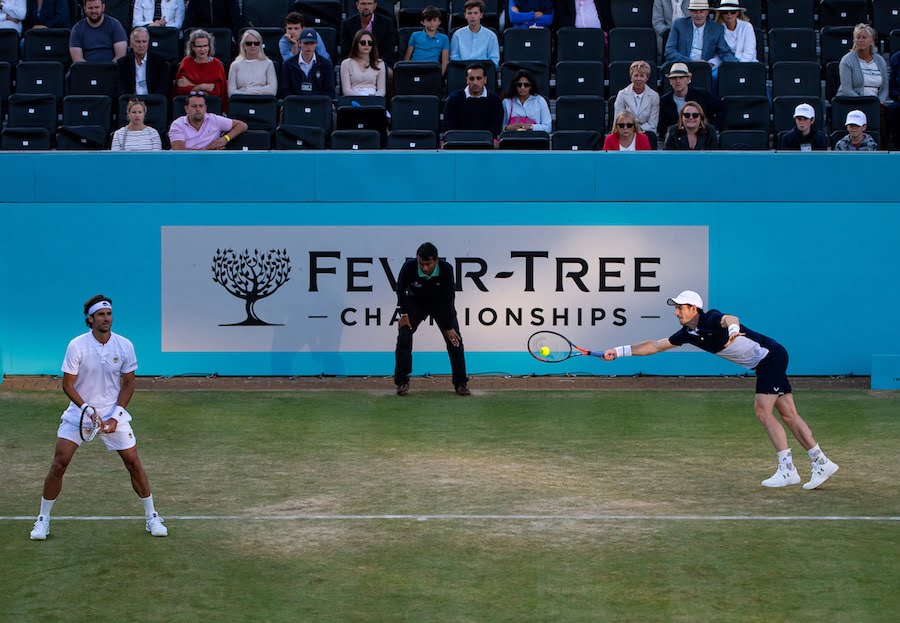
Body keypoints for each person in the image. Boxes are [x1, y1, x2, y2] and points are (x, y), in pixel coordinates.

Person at [602, 290, 840, 490]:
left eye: (680, 307)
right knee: (788, 414)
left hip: (770, 357)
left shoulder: (711, 318)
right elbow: (654, 346)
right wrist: (619, 350)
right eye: (675, 308)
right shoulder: (688, 334)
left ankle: (787, 470)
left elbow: (730, 318)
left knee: (762, 411)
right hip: (767, 362)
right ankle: (821, 462)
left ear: (694, 308)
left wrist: (734, 330)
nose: (676, 312)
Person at [29, 295, 169, 541]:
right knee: (59, 462)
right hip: (80, 412)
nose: (107, 319)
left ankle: (152, 516)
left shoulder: (125, 345)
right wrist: (87, 410)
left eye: (109, 314)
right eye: (101, 315)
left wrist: (116, 416)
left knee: (133, 462)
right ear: (90, 319)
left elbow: (129, 383)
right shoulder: (77, 345)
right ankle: (43, 519)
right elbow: (68, 384)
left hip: (112, 412)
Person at [394, 242, 470, 397]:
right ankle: (402, 381)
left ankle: (461, 383)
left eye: (428, 264)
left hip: (440, 305)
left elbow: (449, 298)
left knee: (455, 341)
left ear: (436, 260)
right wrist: (404, 315)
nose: (424, 268)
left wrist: (448, 327)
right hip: (416, 304)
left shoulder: (446, 269)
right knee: (404, 335)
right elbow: (401, 290)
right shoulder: (409, 267)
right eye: (421, 264)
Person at [837, 23, 889, 148]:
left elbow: (885, 88)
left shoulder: (880, 60)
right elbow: (846, 89)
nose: (860, 40)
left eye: (864, 37)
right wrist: (863, 103)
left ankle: (883, 150)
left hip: (874, 102)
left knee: (887, 116)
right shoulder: (847, 60)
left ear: (871, 40)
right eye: (858, 37)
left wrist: (878, 102)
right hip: (852, 101)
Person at [664, 0, 737, 68]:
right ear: (690, 12)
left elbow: (724, 52)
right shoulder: (679, 25)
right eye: (695, 11)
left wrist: (738, 67)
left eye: (701, 11)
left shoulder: (716, 28)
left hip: (705, 69)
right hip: (681, 66)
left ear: (707, 12)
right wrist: (691, 62)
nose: (698, 15)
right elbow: (669, 52)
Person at [168, 90, 247, 150]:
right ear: (186, 109)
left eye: (201, 106)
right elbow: (179, 151)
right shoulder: (177, 124)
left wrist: (225, 139)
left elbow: (242, 125)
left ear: (205, 108)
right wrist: (207, 150)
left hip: (209, 162)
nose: (198, 109)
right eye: (194, 106)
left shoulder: (215, 120)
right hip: (183, 163)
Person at [443, 62, 503, 137]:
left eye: (479, 78)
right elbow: (449, 128)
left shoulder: (495, 100)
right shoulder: (453, 99)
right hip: (460, 143)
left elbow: (496, 129)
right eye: (471, 79)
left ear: (485, 79)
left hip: (486, 144)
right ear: (467, 80)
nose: (475, 82)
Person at [658, 62, 716, 135]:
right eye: (674, 78)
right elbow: (662, 127)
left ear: (689, 79)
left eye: (681, 77)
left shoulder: (703, 96)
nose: (678, 81)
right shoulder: (664, 101)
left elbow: (714, 115)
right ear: (670, 81)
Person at [174, 28, 228, 107]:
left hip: (212, 106)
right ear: (193, 47)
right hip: (189, 107)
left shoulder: (217, 64)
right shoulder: (186, 62)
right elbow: (180, 90)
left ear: (209, 47)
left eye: (205, 46)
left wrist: (192, 85)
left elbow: (218, 91)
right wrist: (205, 87)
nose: (202, 49)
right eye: (199, 46)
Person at [279, 27, 336, 99]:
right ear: (299, 43)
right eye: (306, 43)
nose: (308, 47)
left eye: (312, 43)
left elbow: (330, 90)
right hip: (295, 104)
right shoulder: (288, 64)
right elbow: (285, 90)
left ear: (316, 44)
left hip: (319, 104)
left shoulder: (326, 64)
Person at [117, 27, 171, 96]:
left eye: (144, 41)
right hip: (131, 103)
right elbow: (121, 89)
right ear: (131, 44)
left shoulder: (160, 62)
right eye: (138, 42)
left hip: (154, 102)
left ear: (148, 43)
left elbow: (163, 89)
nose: (141, 45)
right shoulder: (122, 63)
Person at [340, 0, 397, 67]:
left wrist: (377, 64)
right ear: (357, 5)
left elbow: (389, 50)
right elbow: (345, 51)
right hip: (355, 65)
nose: (366, 7)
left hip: (379, 64)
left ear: (375, 5)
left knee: (388, 72)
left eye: (369, 4)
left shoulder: (387, 23)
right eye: (363, 4)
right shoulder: (347, 24)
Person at [613, 60, 660, 134]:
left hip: (646, 133)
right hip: (625, 131)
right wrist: (630, 130)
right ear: (631, 77)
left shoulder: (654, 96)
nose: (638, 79)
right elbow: (618, 120)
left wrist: (637, 131)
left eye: (642, 76)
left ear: (647, 78)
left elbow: (653, 123)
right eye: (636, 75)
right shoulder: (622, 94)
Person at [450, 0, 499, 70]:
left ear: (481, 15)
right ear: (465, 15)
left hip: (485, 71)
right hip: (462, 71)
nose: (472, 16)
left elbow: (494, 60)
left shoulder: (491, 35)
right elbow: (454, 57)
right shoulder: (457, 35)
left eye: (475, 13)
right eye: (469, 13)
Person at [228, 29, 278, 96]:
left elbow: (272, 90)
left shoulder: (268, 63)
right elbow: (231, 92)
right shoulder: (235, 65)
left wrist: (250, 91)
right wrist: (248, 93)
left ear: (260, 45)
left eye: (256, 43)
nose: (253, 46)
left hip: (262, 101)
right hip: (241, 101)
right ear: (244, 45)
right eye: (249, 43)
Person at [404, 6, 449, 76]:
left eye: (434, 20)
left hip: (432, 70)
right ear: (422, 22)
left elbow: (445, 61)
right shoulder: (415, 35)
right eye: (428, 20)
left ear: (439, 22)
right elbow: (407, 57)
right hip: (414, 68)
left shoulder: (444, 38)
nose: (431, 23)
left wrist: (439, 77)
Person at [340, 29, 386, 96]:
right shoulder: (346, 63)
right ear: (356, 44)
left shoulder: (380, 63)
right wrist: (362, 97)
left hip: (373, 100)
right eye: (363, 42)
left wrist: (374, 97)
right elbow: (346, 90)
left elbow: (381, 90)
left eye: (370, 43)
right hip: (353, 100)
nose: (366, 45)